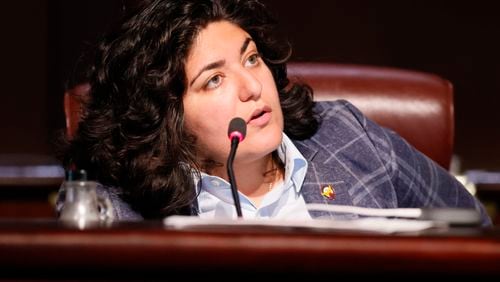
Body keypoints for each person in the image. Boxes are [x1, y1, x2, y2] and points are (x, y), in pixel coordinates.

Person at [57, 0, 492, 226]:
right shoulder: (122, 208)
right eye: (214, 79)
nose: (252, 88)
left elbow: (473, 227)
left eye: (251, 59)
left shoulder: (348, 136)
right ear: (163, 115)